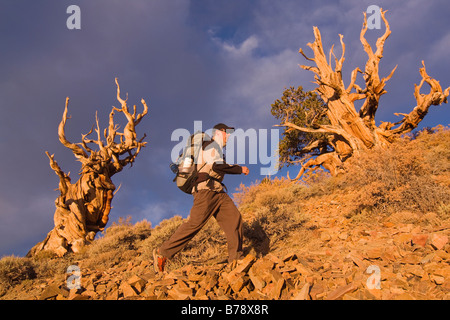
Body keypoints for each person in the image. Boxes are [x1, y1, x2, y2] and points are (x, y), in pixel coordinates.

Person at [153, 123, 249, 272]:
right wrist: (239, 169)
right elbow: (217, 166)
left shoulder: (214, 149)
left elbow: (216, 166)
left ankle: (235, 260)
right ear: (218, 132)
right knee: (194, 224)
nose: (229, 136)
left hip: (217, 192)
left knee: (234, 218)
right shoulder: (211, 145)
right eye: (227, 132)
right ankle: (163, 253)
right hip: (205, 191)